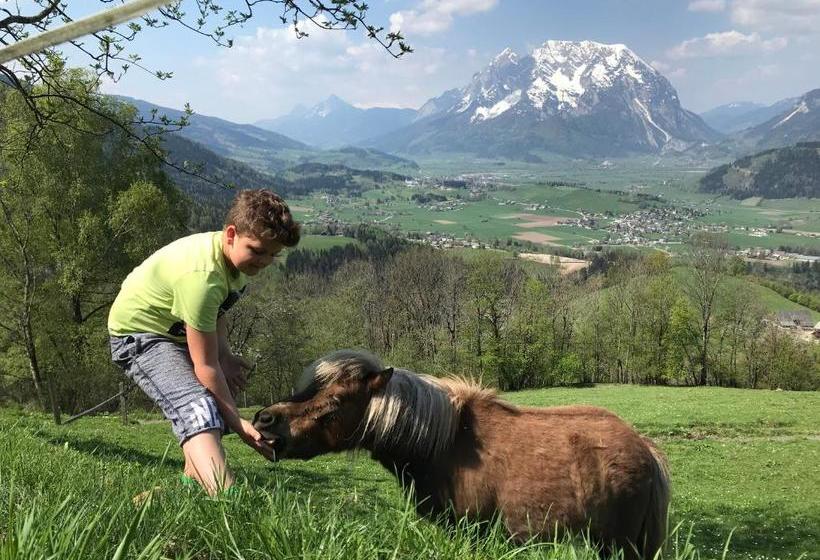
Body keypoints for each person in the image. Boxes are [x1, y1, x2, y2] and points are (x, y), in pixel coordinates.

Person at [108, 189, 300, 495]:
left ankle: (189, 488)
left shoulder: (235, 261)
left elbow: (216, 311)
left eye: (273, 254)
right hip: (139, 336)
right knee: (197, 407)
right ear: (231, 234)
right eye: (257, 250)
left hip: (174, 331)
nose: (265, 261)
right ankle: (229, 499)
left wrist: (225, 355)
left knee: (213, 403)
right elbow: (205, 365)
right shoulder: (202, 277)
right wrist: (240, 425)